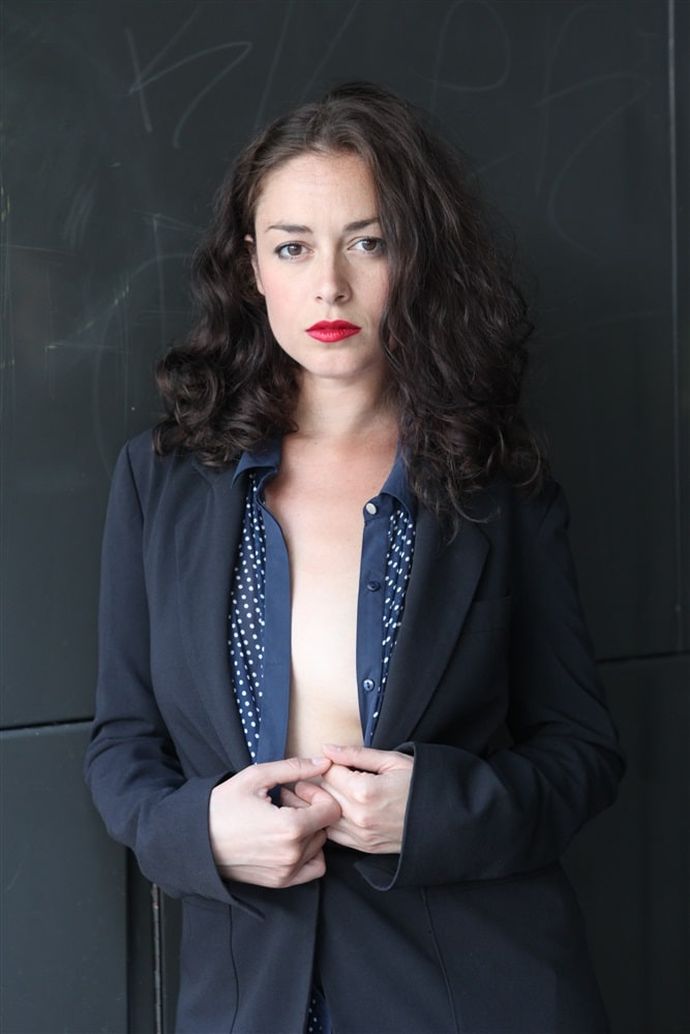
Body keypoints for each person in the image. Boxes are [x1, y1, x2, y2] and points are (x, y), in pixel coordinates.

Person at [84, 80, 626, 1034]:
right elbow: (122, 749)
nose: (329, 286)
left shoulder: (497, 480)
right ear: (252, 265)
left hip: (473, 991)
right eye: (293, 247)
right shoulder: (161, 480)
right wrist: (199, 834)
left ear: (416, 257)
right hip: (250, 996)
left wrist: (440, 812)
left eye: (368, 243)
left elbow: (582, 752)